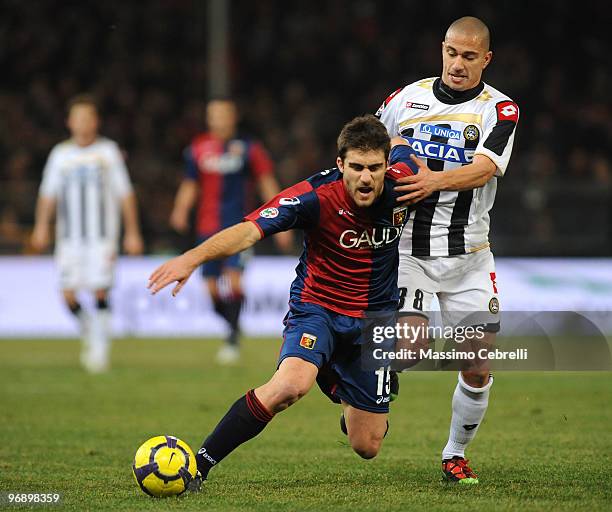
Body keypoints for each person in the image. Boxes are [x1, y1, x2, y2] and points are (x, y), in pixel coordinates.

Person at [148, 115, 417, 487]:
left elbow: (407, 146)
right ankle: (199, 465)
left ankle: (339, 381)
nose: (366, 178)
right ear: (340, 165)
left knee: (367, 444)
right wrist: (191, 258)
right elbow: (248, 231)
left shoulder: (408, 181)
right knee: (290, 385)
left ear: (388, 165)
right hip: (317, 308)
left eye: (375, 167)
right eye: (356, 167)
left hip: (374, 320)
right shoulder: (313, 197)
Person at [375, 16, 519, 484]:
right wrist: (394, 148)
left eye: (470, 57)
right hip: (410, 252)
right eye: (452, 53)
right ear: (442, 49)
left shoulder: (500, 110)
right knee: (411, 347)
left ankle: (454, 454)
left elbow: (483, 170)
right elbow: (370, 143)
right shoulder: (405, 99)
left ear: (486, 59)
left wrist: (432, 179)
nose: (458, 64)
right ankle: (366, 389)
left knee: (477, 363)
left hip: (470, 254)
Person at [170, 97, 292, 364]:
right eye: (214, 115)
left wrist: (283, 221)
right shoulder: (198, 148)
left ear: (233, 117)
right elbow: (191, 183)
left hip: (242, 228)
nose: (219, 120)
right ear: (209, 119)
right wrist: (180, 209)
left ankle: (232, 340)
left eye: (224, 115)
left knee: (234, 280)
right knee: (211, 289)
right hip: (207, 228)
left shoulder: (249, 148)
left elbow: (265, 181)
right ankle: (233, 325)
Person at [31, 94, 143, 373]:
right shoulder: (60, 154)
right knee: (68, 295)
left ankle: (100, 349)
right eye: (77, 118)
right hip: (69, 239)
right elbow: (48, 195)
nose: (83, 124)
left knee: (100, 290)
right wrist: (41, 227)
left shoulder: (108, 152)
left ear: (96, 122)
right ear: (69, 122)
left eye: (88, 118)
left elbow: (125, 194)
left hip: (101, 238)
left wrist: (132, 232)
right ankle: (92, 331)